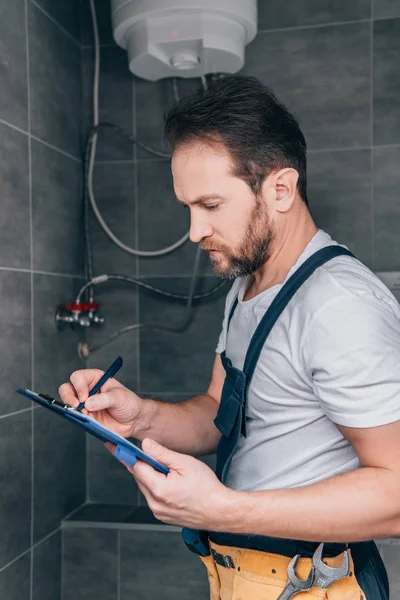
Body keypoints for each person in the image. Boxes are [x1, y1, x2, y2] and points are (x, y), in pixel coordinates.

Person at [59, 75, 398, 599]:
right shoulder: (247, 282)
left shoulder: (340, 306)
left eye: (210, 206)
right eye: (188, 207)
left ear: (280, 189)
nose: (194, 231)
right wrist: (139, 416)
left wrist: (222, 508)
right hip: (244, 577)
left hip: (316, 585)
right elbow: (220, 412)